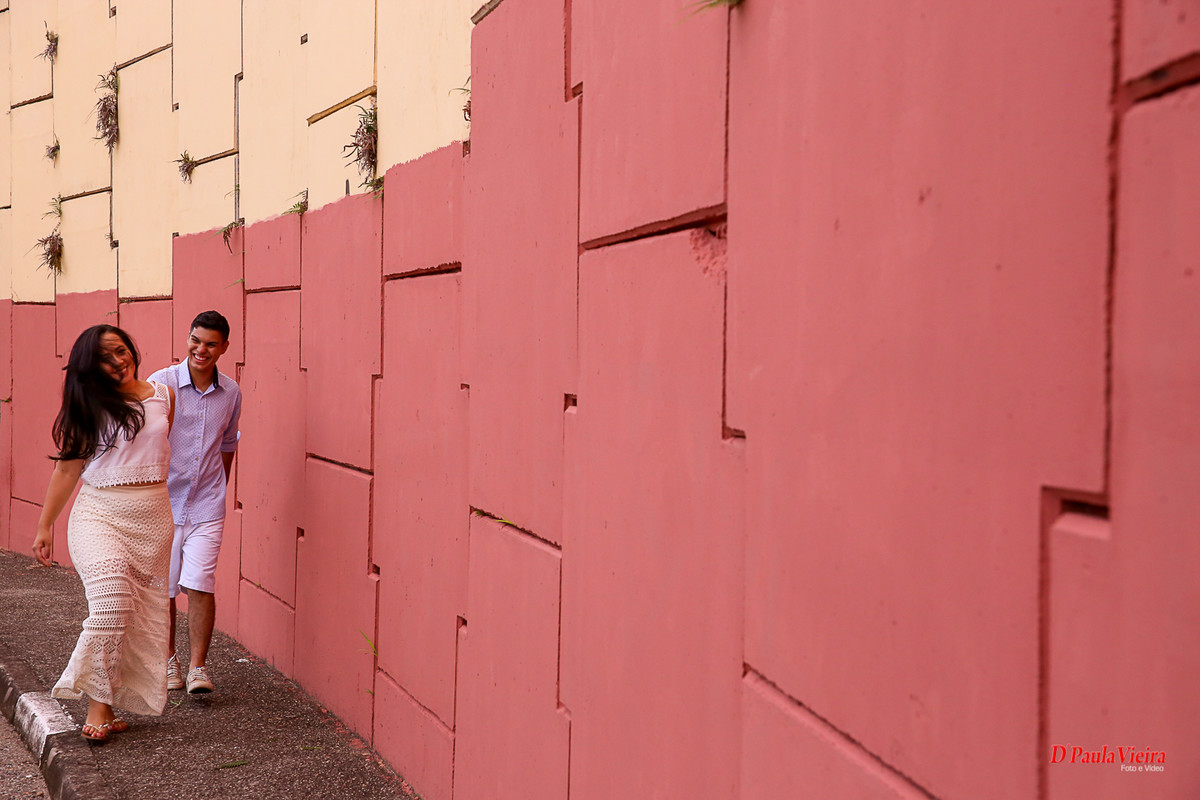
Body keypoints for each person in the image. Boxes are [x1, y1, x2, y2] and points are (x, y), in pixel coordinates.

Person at [33, 324, 176, 742]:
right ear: (90, 369)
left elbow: (173, 451)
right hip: (99, 515)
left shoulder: (165, 396)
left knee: (133, 616)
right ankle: (96, 703)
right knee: (111, 605)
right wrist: (45, 526)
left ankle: (107, 703)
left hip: (153, 517)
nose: (119, 360)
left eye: (121, 350)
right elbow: (67, 469)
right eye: (106, 358)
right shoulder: (89, 404)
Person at [148, 311, 241, 695]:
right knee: (165, 587)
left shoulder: (231, 393)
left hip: (206, 505)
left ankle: (198, 667)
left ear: (224, 348)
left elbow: (228, 443)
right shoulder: (161, 383)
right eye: (195, 340)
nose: (201, 349)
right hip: (163, 503)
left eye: (210, 344)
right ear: (188, 338)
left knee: (200, 582)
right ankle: (168, 661)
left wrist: (219, 487)